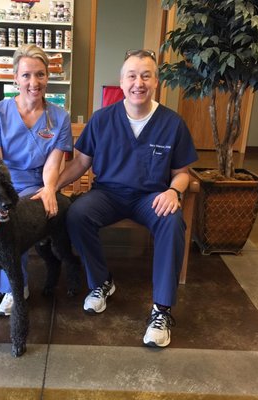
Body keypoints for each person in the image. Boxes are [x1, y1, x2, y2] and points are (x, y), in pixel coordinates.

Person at [57, 49, 198, 348]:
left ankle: (161, 309)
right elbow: (80, 163)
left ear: (156, 82)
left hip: (151, 197)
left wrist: (175, 191)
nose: (139, 82)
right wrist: (50, 187)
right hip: (108, 193)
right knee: (76, 214)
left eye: (146, 75)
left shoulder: (172, 124)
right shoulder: (102, 119)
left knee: (172, 222)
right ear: (121, 83)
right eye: (132, 76)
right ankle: (102, 282)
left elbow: (182, 172)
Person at [0, 43, 72, 317]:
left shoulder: (59, 117)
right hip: (1, 184)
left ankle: (14, 287)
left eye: (40, 74)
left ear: (48, 77)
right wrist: (2, 196)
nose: (34, 82)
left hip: (35, 184)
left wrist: (48, 189)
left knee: (16, 220)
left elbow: (53, 163)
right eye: (26, 75)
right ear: (15, 79)